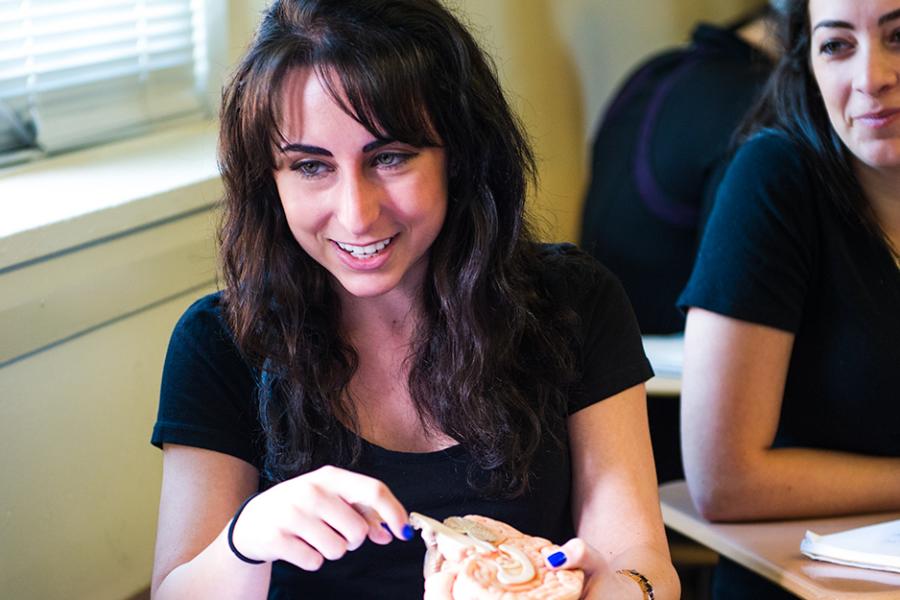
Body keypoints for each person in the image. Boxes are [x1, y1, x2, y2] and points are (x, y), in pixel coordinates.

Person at [148, 1, 680, 599]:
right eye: (310, 166)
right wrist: (247, 539)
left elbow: (643, 564)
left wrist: (618, 591)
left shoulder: (575, 303)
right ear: (268, 181)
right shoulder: (221, 342)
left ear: (461, 155)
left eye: (390, 157)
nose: (356, 214)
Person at [678, 0, 900, 598]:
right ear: (807, 64)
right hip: (802, 585)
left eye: (899, 36)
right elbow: (724, 479)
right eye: (836, 46)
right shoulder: (772, 178)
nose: (871, 77)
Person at [579, 3, 778, 337]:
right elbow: (741, 294)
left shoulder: (657, 70)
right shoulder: (757, 106)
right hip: (673, 369)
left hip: (596, 355)